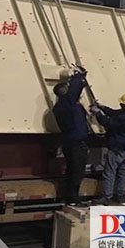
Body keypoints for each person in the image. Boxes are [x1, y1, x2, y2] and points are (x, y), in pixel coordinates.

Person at [90, 93, 125, 205]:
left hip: (117, 148)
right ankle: (121, 196)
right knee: (122, 172)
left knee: (109, 172)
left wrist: (97, 113)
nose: (120, 105)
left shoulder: (123, 117)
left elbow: (107, 123)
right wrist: (102, 107)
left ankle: (107, 196)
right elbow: (114, 113)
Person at [53, 70, 90, 206]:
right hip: (77, 143)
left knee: (71, 170)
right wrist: (78, 76)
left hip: (69, 141)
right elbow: (75, 89)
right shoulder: (68, 103)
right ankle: (73, 199)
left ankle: (67, 197)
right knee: (77, 172)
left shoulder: (59, 107)